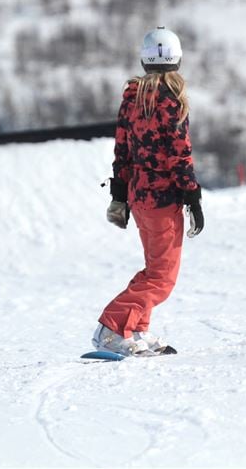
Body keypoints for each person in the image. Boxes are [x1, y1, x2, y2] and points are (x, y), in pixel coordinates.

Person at [92, 26, 204, 356]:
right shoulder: (171, 103)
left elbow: (122, 152)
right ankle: (112, 327)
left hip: (141, 196)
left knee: (153, 269)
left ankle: (136, 329)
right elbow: (179, 154)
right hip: (163, 198)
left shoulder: (132, 101)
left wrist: (119, 195)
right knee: (162, 278)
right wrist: (193, 196)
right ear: (178, 60)